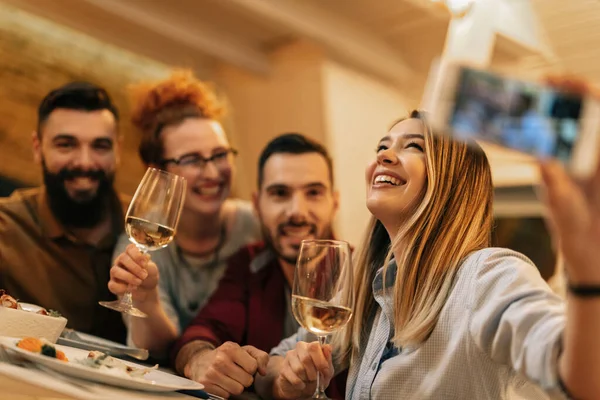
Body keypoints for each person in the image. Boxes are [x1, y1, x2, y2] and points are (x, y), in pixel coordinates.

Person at [256, 109, 600, 400]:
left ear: (452, 180)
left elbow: (579, 374)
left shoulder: (486, 276)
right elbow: (273, 364)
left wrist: (587, 271)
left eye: (414, 147)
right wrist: (286, 381)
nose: (384, 156)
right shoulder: (368, 288)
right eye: (382, 145)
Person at [171, 133, 347, 399]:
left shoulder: (363, 274)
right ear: (257, 205)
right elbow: (201, 332)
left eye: (313, 193)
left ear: (334, 203)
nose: (297, 211)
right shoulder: (249, 264)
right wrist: (199, 361)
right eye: (279, 193)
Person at [107, 70, 261, 355]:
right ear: (156, 170)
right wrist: (146, 298)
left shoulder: (257, 226)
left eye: (219, 155)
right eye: (192, 160)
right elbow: (154, 350)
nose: (213, 173)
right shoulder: (139, 244)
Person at [0, 82, 127, 343]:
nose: (84, 162)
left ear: (118, 150)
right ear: (38, 148)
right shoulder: (7, 226)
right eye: (66, 144)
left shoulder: (144, 227)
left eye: (100, 146)